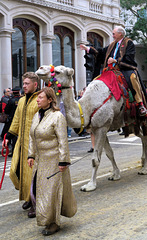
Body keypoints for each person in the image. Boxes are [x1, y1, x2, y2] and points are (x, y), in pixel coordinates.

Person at [27, 87, 77, 236]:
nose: (37, 100)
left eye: (41, 98)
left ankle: (53, 223)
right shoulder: (37, 115)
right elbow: (32, 136)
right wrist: (31, 155)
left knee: (51, 193)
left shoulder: (57, 116)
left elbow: (63, 141)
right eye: (37, 98)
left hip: (54, 160)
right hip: (40, 161)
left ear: (50, 100)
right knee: (39, 191)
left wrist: (63, 161)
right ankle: (46, 219)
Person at [80, 26, 147, 116]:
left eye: (114, 34)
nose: (112, 36)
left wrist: (116, 60)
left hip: (125, 68)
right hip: (111, 70)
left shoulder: (129, 43)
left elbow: (129, 56)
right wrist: (88, 49)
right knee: (96, 81)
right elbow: (101, 52)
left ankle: (140, 104)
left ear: (120, 34)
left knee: (133, 78)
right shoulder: (112, 44)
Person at [2, 72, 40, 218]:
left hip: (34, 144)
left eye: (26, 84)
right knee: (15, 171)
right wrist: (8, 136)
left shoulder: (39, 100)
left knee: (32, 174)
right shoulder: (22, 100)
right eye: (23, 83)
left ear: (35, 85)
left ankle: (36, 203)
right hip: (20, 142)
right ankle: (28, 196)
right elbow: (16, 120)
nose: (24, 86)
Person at [2, 86, 21, 157]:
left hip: (12, 120)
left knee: (13, 137)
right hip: (20, 120)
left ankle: (14, 152)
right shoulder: (22, 99)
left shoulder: (11, 100)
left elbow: (6, 110)